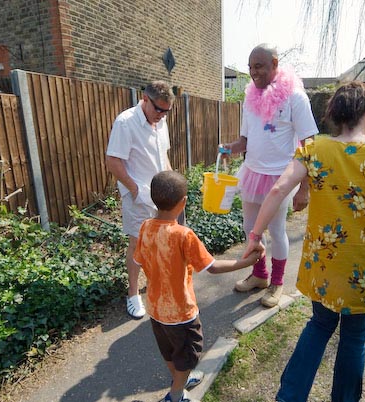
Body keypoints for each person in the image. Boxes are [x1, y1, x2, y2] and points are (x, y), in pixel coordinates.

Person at [243, 81, 365, 402]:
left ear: (334, 114)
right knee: (353, 339)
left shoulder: (314, 150)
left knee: (319, 325)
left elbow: (280, 189)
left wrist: (255, 236)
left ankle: (289, 396)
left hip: (323, 266)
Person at [133, 170, 260, 402]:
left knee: (170, 351)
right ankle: (176, 395)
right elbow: (211, 267)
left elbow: (139, 261)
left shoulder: (144, 228)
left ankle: (180, 381)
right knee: (189, 354)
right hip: (181, 312)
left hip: (155, 308)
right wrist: (246, 262)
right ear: (183, 202)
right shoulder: (183, 235)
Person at [221, 43, 318, 308]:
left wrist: (304, 188)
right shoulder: (249, 98)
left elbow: (310, 144)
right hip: (252, 172)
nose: (254, 72)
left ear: (275, 63)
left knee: (276, 231)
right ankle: (260, 275)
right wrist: (231, 148)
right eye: (250, 67)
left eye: (259, 66)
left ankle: (277, 283)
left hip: (280, 177)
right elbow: (245, 140)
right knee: (250, 229)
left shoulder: (295, 98)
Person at [106, 80, 175, 319]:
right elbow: (113, 161)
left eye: (167, 111)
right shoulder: (125, 123)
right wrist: (135, 190)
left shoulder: (161, 121)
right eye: (159, 109)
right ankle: (133, 294)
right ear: (144, 99)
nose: (162, 115)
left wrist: (171, 184)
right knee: (137, 245)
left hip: (161, 195)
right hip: (138, 197)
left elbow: (163, 155)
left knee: (160, 241)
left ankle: (158, 283)